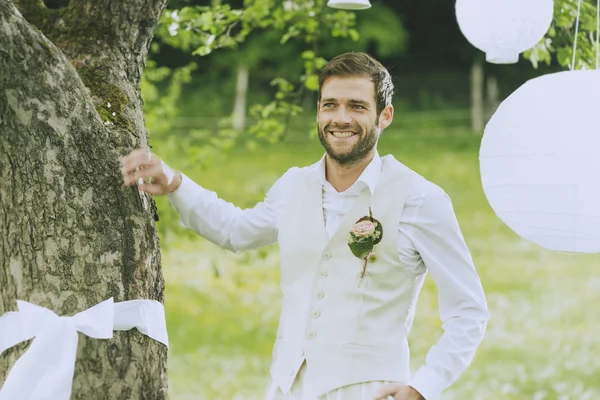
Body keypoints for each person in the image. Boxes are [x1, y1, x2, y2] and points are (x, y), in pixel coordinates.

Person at [121, 52, 489, 400]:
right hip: (286, 387)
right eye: (331, 105)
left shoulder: (420, 198)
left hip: (369, 390)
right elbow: (236, 230)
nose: (341, 118)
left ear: (385, 115)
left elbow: (469, 310)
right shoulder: (294, 185)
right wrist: (174, 184)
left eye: (357, 106)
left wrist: (423, 386)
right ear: (318, 111)